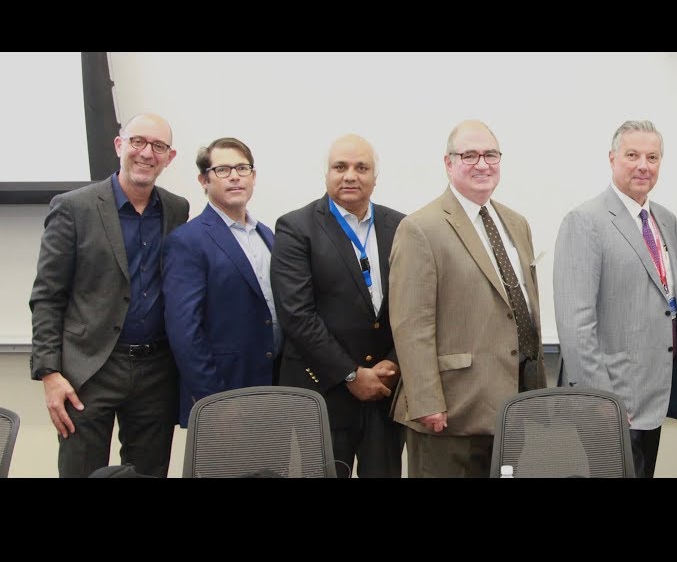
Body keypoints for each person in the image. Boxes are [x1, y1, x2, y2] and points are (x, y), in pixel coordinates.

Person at [29, 113, 190, 478]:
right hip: (89, 370)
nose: (147, 153)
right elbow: (47, 296)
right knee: (81, 472)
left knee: (149, 472)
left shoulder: (176, 209)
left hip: (156, 372)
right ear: (119, 145)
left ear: (170, 157)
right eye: (138, 142)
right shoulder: (74, 207)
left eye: (158, 146)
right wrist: (49, 373)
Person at [389, 120, 546, 478]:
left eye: (490, 154)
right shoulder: (421, 228)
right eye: (469, 155)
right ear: (448, 163)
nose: (482, 164)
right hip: (451, 410)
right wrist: (427, 400)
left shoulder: (516, 223)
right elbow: (411, 324)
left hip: (513, 402)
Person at [554, 119, 677, 479]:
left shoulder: (665, 220)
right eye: (632, 155)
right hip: (611, 400)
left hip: (653, 396)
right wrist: (603, 400)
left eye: (653, 156)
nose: (643, 165)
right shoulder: (585, 221)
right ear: (612, 159)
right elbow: (575, 323)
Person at [272, 134, 406, 478]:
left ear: (375, 177)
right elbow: (297, 315)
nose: (350, 175)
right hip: (323, 394)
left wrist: (393, 361)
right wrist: (350, 374)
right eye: (340, 167)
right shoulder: (295, 228)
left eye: (362, 167)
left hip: (386, 393)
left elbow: (415, 308)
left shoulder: (403, 227)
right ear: (327, 174)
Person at [163, 137, 278, 428]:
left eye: (242, 168)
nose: (235, 176)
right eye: (223, 170)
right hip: (225, 394)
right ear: (204, 180)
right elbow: (184, 331)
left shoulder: (268, 235)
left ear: (254, 176)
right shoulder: (187, 241)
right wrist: (213, 399)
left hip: (274, 390)